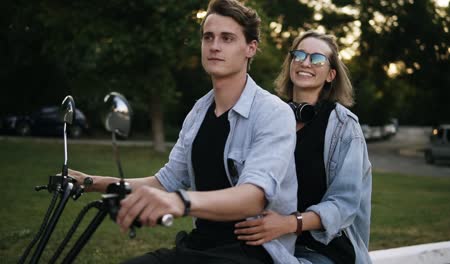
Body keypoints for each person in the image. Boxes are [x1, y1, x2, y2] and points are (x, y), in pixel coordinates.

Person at [69, 0, 299, 263]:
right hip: (199, 246)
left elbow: (254, 197)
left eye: (227, 38)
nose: (214, 46)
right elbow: (165, 182)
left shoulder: (273, 113)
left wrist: (181, 202)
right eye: (208, 37)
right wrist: (91, 182)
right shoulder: (199, 111)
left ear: (250, 48)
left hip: (252, 253)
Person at [234, 30, 373, 264]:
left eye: (317, 59)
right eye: (299, 55)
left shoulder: (343, 126)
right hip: (267, 243)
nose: (305, 62)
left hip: (321, 250)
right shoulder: (267, 116)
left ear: (330, 74)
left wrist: (289, 224)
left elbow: (344, 203)